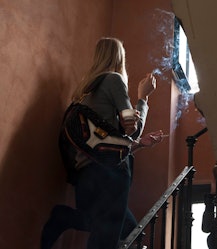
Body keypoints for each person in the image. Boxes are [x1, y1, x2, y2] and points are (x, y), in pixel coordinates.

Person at [41, 37, 164, 249]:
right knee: (109, 239)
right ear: (119, 58)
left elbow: (108, 138)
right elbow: (131, 129)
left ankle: (64, 217)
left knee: (119, 229)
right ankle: (63, 217)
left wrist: (139, 143)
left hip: (85, 175)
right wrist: (143, 98)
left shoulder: (83, 91)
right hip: (110, 174)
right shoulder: (114, 79)